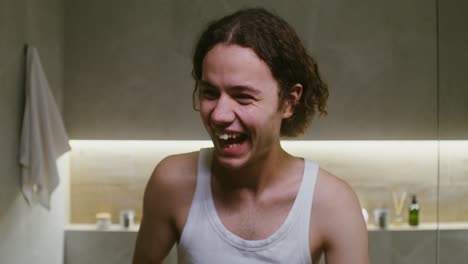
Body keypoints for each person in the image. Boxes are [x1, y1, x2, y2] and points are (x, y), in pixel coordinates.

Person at [133, 7, 369, 264]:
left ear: (289, 102)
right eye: (210, 93)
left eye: (243, 97)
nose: (220, 115)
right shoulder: (172, 182)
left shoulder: (333, 202)